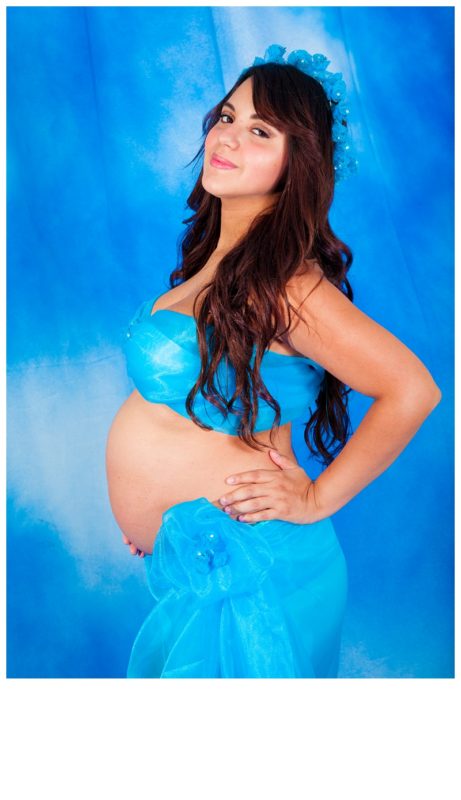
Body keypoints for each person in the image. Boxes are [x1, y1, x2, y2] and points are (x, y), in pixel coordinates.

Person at [105, 45, 441, 678]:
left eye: (260, 131)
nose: (228, 137)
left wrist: (316, 498)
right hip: (205, 567)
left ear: (298, 162)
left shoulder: (287, 285)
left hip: (255, 576)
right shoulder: (213, 262)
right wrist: (153, 519)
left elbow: (413, 390)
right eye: (228, 117)